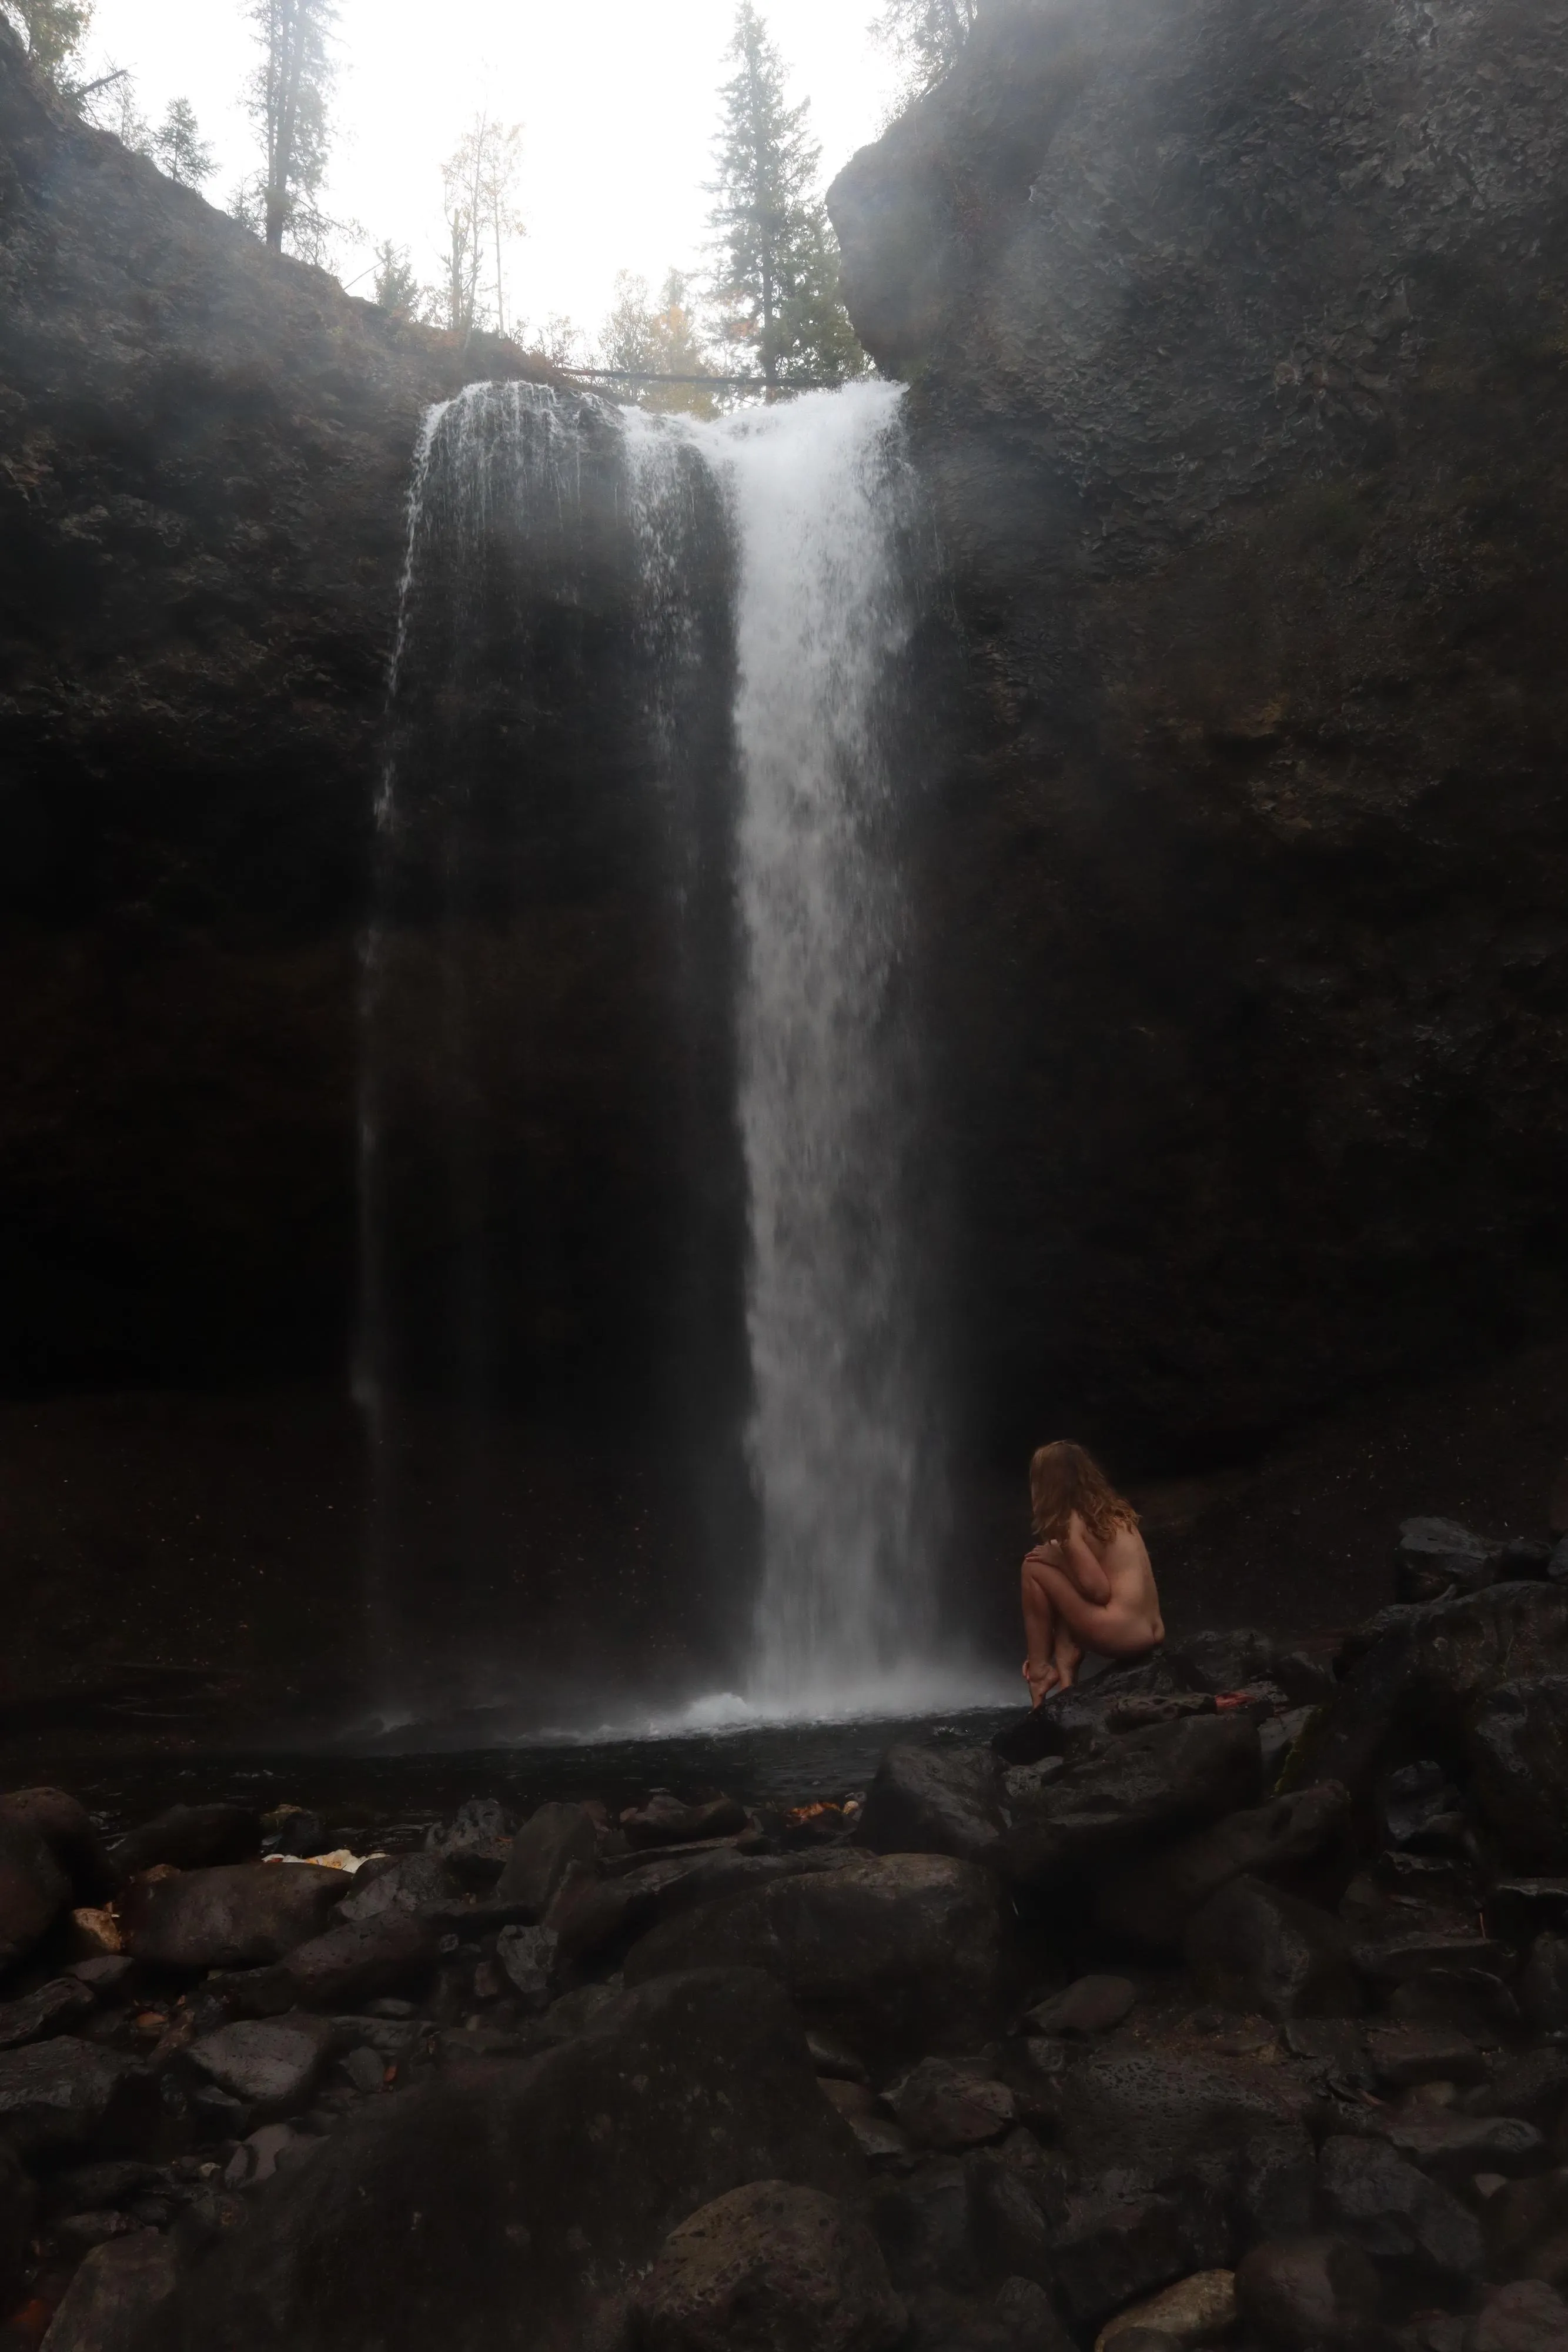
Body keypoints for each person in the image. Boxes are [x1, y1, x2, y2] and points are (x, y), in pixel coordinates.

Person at [1021, 1440, 1164, 1705]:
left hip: (1122, 1634)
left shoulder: (1071, 1522)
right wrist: (1060, 1559)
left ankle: (1040, 1672)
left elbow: (1098, 1591)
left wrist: (1059, 1561)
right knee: (1056, 1562)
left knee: (1034, 1566)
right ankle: (1067, 1669)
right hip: (1151, 1630)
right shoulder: (1113, 1513)